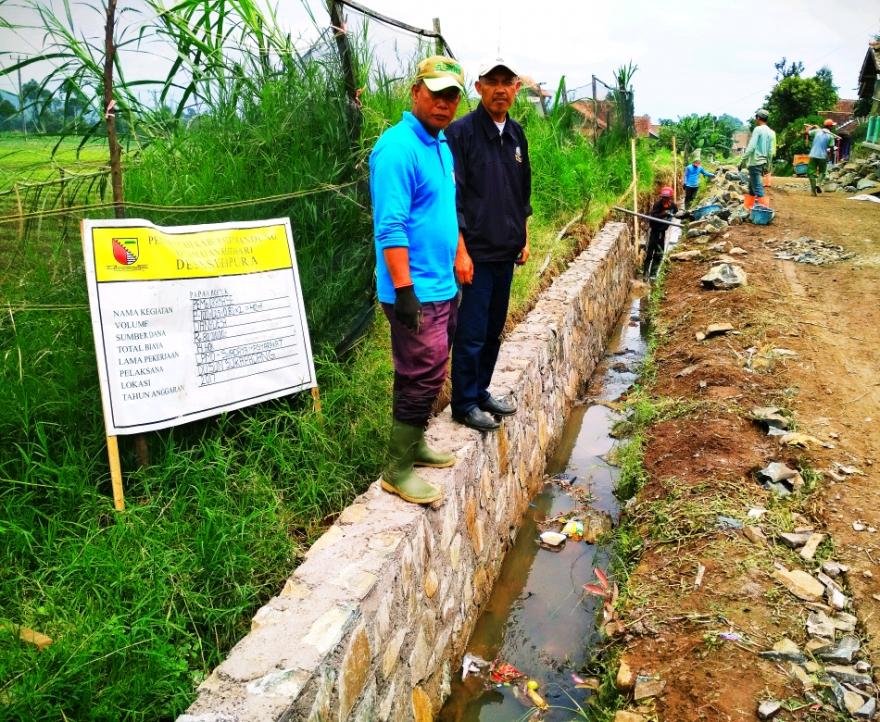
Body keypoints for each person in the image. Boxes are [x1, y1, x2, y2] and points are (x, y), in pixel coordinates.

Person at [369, 55, 466, 504]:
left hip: (441, 283)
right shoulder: (397, 148)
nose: (444, 104)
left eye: (452, 96)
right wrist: (404, 290)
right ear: (416, 92)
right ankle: (397, 468)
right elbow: (390, 226)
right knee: (422, 373)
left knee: (426, 371)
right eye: (436, 94)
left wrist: (458, 254)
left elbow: (443, 210)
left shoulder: (440, 144)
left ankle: (415, 443)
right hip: (415, 289)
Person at [445, 58, 532, 432]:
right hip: (476, 254)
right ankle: (463, 402)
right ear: (478, 87)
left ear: (516, 88)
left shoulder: (516, 134)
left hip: (506, 252)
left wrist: (524, 236)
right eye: (492, 82)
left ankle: (480, 391)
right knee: (472, 330)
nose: (500, 89)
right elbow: (453, 198)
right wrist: (461, 250)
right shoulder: (461, 134)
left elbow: (522, 191)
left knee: (494, 327)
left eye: (506, 82)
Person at [739, 109, 776, 209]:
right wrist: (768, 164)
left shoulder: (758, 129)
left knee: (758, 187)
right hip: (762, 162)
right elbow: (770, 150)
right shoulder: (770, 132)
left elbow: (751, 147)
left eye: (756, 117)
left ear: (758, 118)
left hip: (755, 162)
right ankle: (748, 207)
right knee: (752, 186)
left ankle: (764, 211)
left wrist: (743, 159)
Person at [644, 186, 677, 278]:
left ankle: (653, 274)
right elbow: (652, 217)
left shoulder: (672, 206)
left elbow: (677, 214)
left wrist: (685, 215)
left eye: (667, 198)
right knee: (650, 252)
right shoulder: (657, 205)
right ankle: (645, 273)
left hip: (662, 232)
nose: (665, 199)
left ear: (670, 197)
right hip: (654, 231)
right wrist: (663, 214)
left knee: (659, 253)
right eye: (663, 197)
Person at [805, 119, 837, 196]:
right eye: (832, 126)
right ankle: (818, 183)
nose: (832, 127)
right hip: (823, 156)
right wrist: (831, 157)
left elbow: (807, 133)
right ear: (830, 127)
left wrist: (809, 128)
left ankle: (813, 192)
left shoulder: (817, 131)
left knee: (811, 173)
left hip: (813, 155)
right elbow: (832, 148)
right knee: (822, 172)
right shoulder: (831, 136)